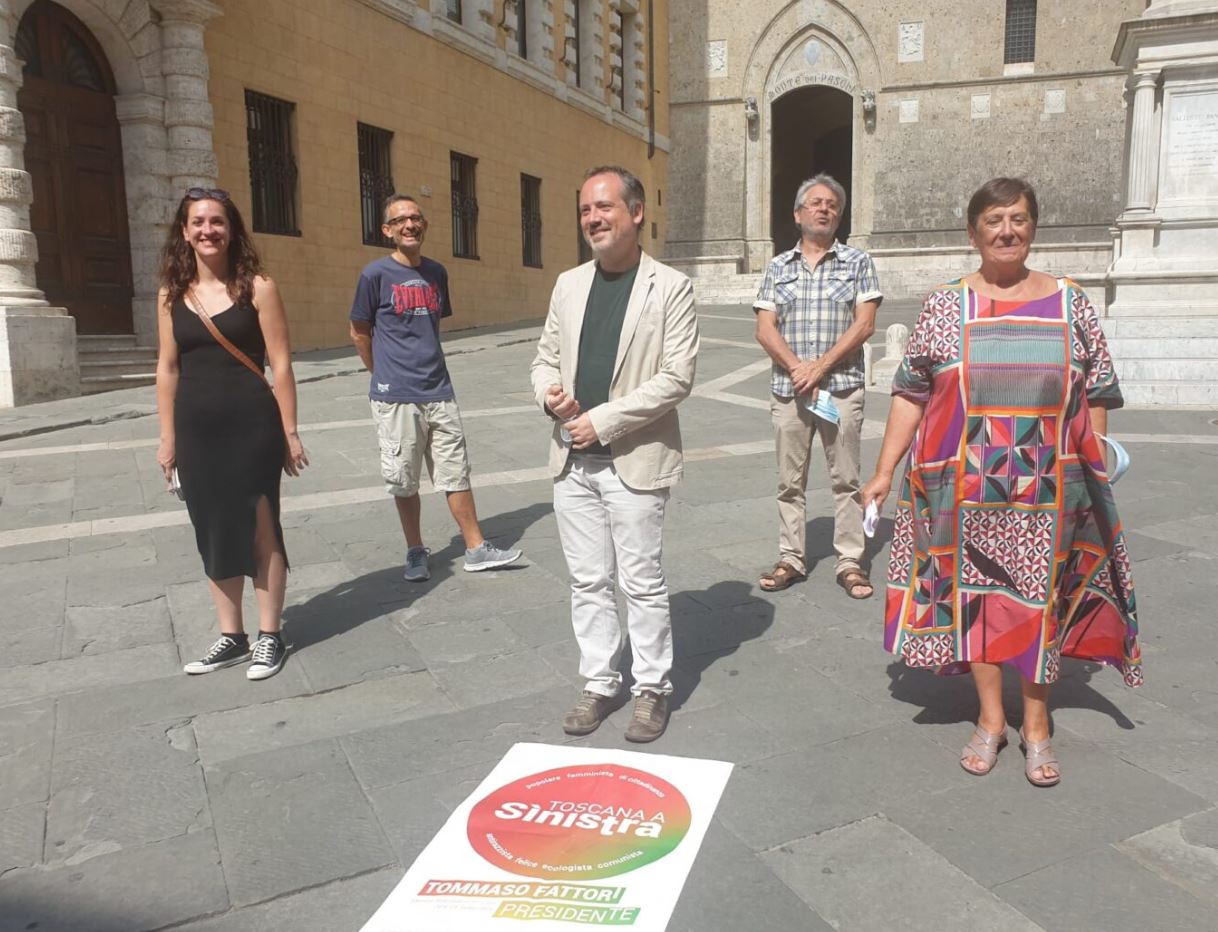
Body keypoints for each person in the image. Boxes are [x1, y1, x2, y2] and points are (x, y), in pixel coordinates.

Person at [862, 177, 1142, 787]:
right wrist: (884, 470)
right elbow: (910, 392)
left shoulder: (1072, 302)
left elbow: (1097, 391)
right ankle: (991, 719)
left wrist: (1098, 465)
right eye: (993, 220)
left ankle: (1036, 724)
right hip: (962, 489)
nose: (1007, 230)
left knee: (1042, 604)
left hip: (1049, 491)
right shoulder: (944, 305)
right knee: (979, 604)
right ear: (973, 233)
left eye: (1017, 219)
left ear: (1033, 228)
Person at [530, 166, 699, 742]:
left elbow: (677, 377)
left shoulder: (669, 286)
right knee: (587, 580)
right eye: (585, 211)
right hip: (571, 461)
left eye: (603, 208)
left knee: (641, 581)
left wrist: (599, 421)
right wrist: (549, 394)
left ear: (636, 213)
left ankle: (651, 688)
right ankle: (600, 681)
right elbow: (544, 357)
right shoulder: (568, 284)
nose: (593, 220)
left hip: (635, 458)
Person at [156, 187, 307, 681]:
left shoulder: (258, 286)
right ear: (185, 231)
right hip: (196, 429)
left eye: (217, 221)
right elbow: (167, 368)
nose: (207, 231)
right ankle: (232, 636)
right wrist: (167, 438)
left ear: (232, 229)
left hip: (253, 426)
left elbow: (281, 364)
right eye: (198, 222)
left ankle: (270, 636)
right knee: (213, 529)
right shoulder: (171, 295)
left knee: (262, 527)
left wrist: (290, 431)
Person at [350, 194, 521, 581]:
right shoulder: (374, 275)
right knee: (404, 477)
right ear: (387, 230)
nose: (410, 225)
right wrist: (381, 373)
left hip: (439, 389)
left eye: (416, 218)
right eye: (400, 220)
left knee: (456, 471)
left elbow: (430, 328)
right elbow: (359, 331)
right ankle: (415, 551)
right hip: (396, 395)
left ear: (423, 225)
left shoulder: (437, 273)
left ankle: (476, 547)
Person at [754, 174, 882, 598]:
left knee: (847, 479)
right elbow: (765, 328)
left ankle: (850, 560)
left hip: (841, 388)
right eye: (815, 203)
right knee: (789, 481)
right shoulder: (777, 266)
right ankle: (791, 556)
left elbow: (864, 324)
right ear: (798, 214)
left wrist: (821, 366)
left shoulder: (858, 262)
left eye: (831, 204)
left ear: (839, 214)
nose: (824, 209)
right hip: (789, 390)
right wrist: (797, 368)